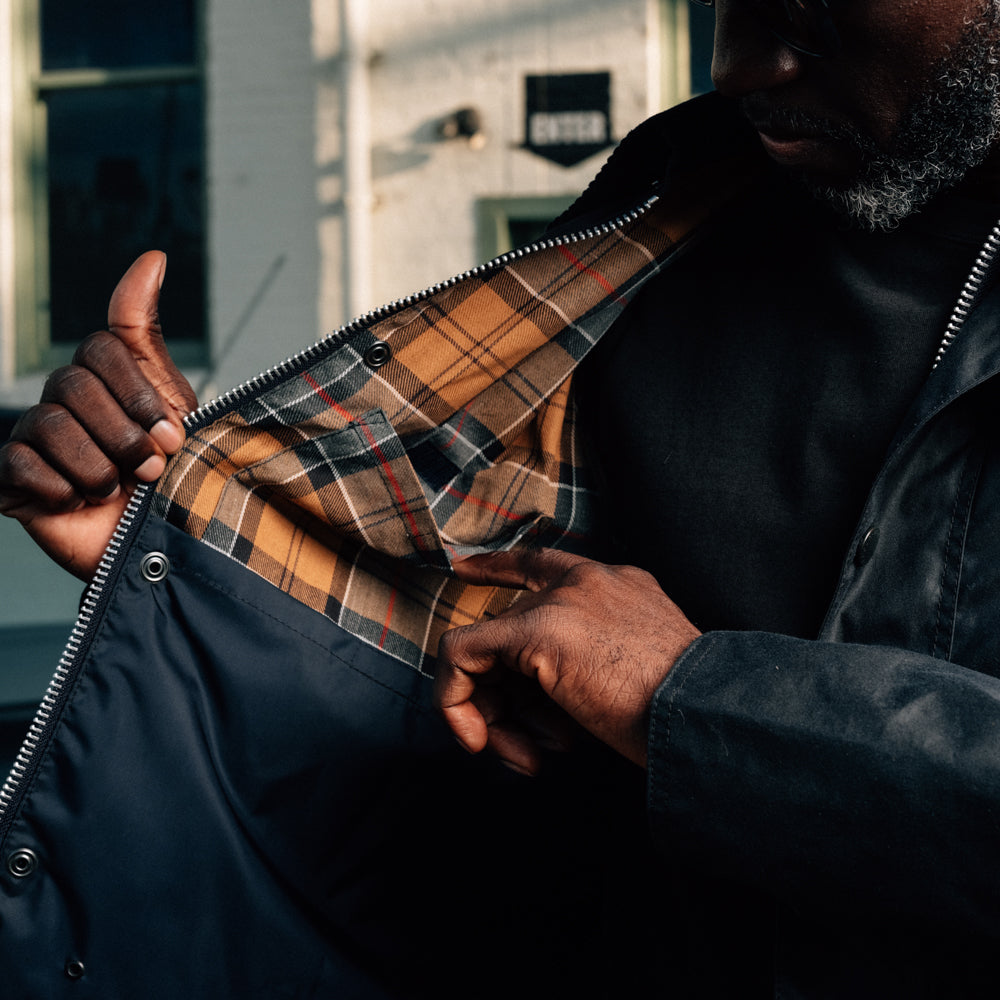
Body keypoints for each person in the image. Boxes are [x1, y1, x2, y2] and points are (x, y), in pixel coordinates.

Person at [4, 0, 1000, 995]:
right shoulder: (677, 198)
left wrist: (691, 701)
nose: (735, 63)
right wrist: (201, 554)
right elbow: (479, 649)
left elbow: (643, 686)